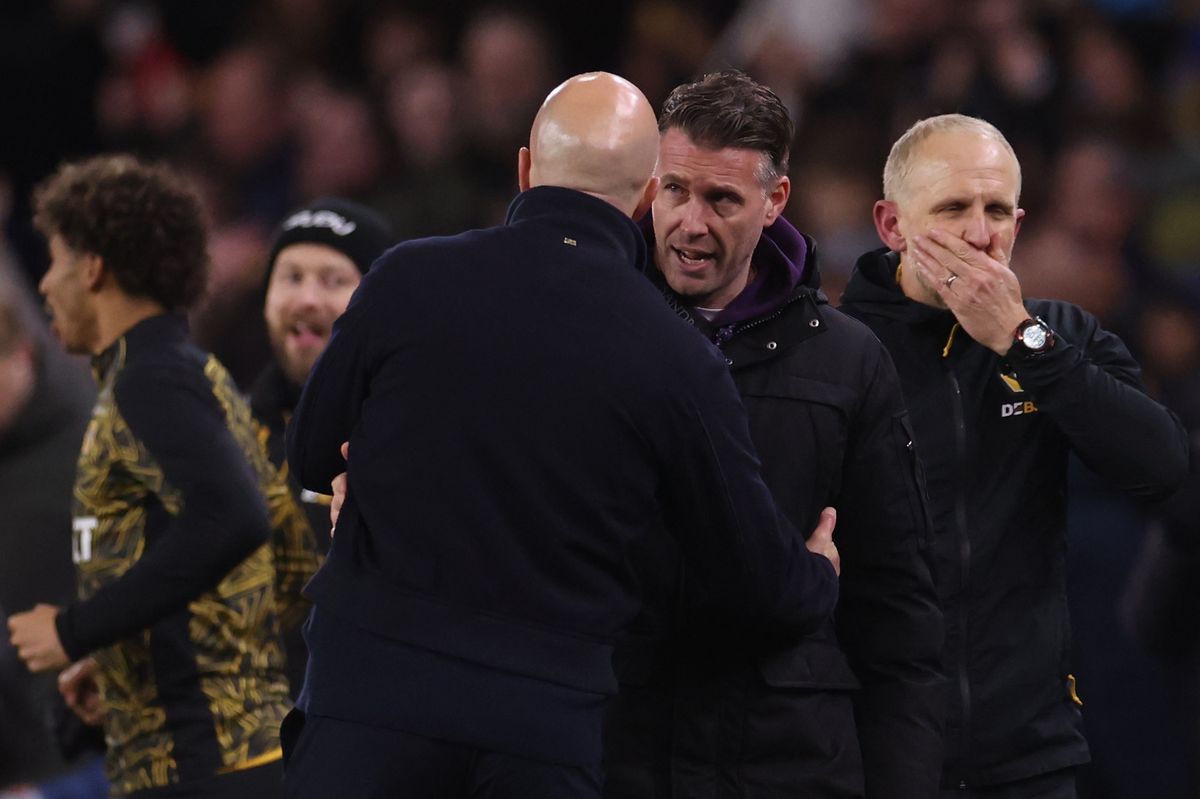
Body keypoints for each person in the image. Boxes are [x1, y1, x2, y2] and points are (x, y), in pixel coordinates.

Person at [282, 71, 840, 798]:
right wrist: (817, 574)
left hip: (365, 699)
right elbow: (755, 579)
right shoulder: (675, 355)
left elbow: (310, 453)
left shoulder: (405, 278)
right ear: (647, 195)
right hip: (539, 728)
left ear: (525, 168)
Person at [601, 70, 944, 799]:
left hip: (786, 762)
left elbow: (895, 619)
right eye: (674, 191)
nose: (691, 222)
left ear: (775, 200)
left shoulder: (849, 363)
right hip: (617, 751)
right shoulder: (594, 333)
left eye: (722, 199)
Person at [838, 114, 1190, 798]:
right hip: (874, 751)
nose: (979, 233)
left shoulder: (1060, 337)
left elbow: (1166, 469)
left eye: (997, 211)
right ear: (892, 225)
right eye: (952, 209)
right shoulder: (837, 352)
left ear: (1019, 224)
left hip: (1030, 755)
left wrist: (1023, 341)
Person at [6, 154, 309, 798]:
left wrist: (73, 630)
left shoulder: (153, 381)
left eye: (55, 261)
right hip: (210, 756)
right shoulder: (176, 373)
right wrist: (127, 665)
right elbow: (250, 567)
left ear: (92, 268)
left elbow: (234, 518)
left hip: (203, 765)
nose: (45, 284)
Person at [250, 196, 394, 695]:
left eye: (334, 281)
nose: (307, 299)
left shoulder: (409, 439)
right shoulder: (223, 432)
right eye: (291, 277)